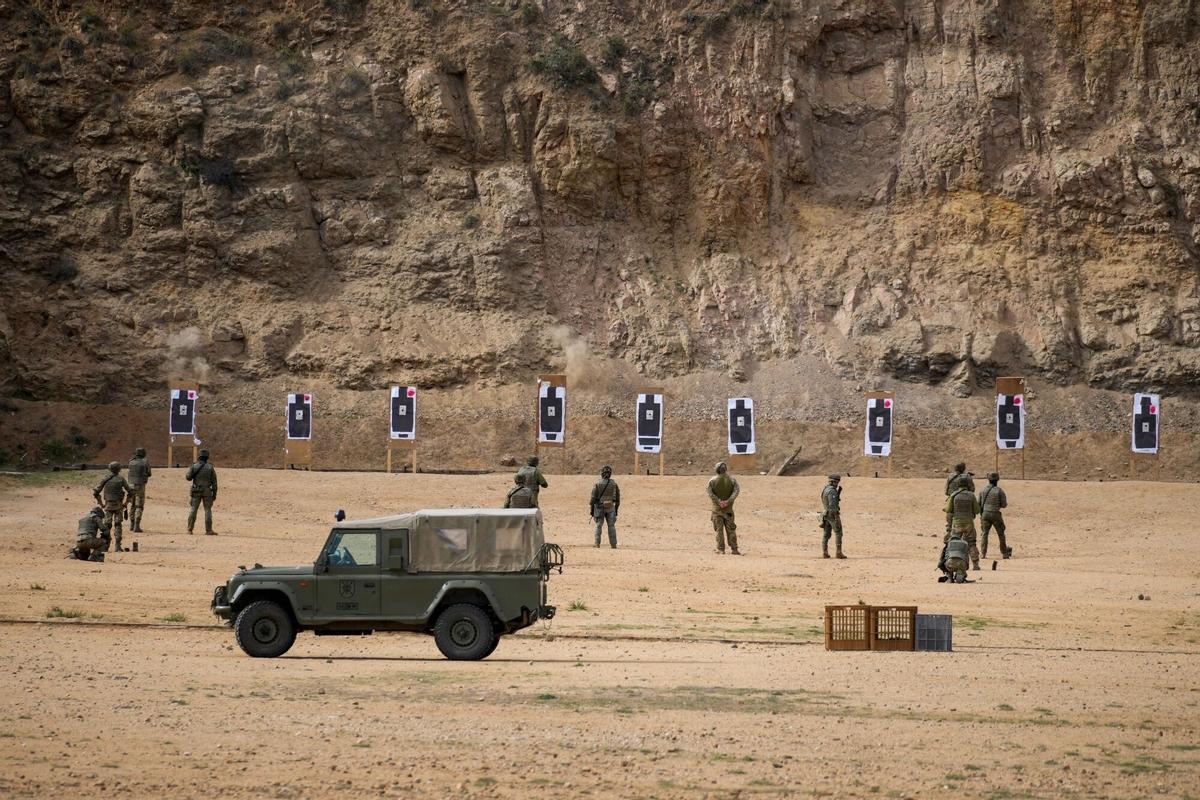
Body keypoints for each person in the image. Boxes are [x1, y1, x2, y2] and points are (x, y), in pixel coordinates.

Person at [943, 473, 981, 570]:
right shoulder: (971, 495)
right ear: (967, 485)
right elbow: (977, 510)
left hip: (957, 524)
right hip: (969, 523)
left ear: (958, 485)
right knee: (972, 543)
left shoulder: (954, 495)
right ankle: (975, 564)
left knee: (954, 542)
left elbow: (948, 509)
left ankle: (952, 562)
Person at [93, 461, 131, 552]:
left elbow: (96, 492)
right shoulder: (121, 479)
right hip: (118, 506)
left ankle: (106, 546)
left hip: (108, 506)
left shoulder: (106, 479)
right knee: (118, 525)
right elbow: (130, 491)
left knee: (107, 526)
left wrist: (101, 503)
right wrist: (126, 503)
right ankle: (117, 546)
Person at [707, 461, 740, 555]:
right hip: (729, 510)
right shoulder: (732, 480)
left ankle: (721, 549)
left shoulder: (712, 481)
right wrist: (728, 501)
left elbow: (710, 493)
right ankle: (734, 549)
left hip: (717, 510)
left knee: (719, 531)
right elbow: (736, 491)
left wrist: (719, 502)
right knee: (731, 530)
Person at [978, 472, 1012, 559]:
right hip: (996, 514)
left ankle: (983, 553)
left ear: (988, 480)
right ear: (997, 480)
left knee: (984, 533)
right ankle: (1004, 553)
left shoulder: (983, 490)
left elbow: (979, 504)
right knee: (1001, 534)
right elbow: (1004, 505)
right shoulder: (999, 491)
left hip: (985, 514)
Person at [186, 449, 218, 535]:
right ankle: (208, 530)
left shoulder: (194, 466)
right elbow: (214, 483)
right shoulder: (210, 467)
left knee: (193, 509)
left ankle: (189, 529)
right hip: (207, 491)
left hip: (196, 490)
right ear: (207, 457)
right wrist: (214, 494)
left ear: (199, 457)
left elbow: (188, 477)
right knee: (208, 510)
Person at [589, 465, 620, 549]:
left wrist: (592, 510)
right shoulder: (614, 484)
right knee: (611, 526)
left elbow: (592, 499)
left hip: (599, 507)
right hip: (610, 507)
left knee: (598, 525)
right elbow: (617, 499)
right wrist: (616, 511)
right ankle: (613, 544)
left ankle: (597, 543)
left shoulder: (597, 484)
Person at [820, 474, 846, 559]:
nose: (837, 483)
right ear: (834, 482)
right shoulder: (832, 491)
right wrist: (836, 516)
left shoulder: (825, 489)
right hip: (832, 514)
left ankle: (825, 552)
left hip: (826, 514)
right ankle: (838, 553)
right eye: (837, 482)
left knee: (826, 534)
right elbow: (832, 505)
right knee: (838, 533)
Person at [126, 446, 152, 533]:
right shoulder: (145, 462)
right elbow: (149, 473)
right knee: (139, 506)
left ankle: (131, 524)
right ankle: (137, 526)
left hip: (130, 486)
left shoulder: (131, 461)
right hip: (140, 486)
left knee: (132, 505)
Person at [945, 462, 974, 534]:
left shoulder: (950, 476)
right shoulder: (967, 477)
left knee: (950, 517)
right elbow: (972, 490)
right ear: (963, 468)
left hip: (951, 500)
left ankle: (949, 531)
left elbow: (946, 491)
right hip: (964, 502)